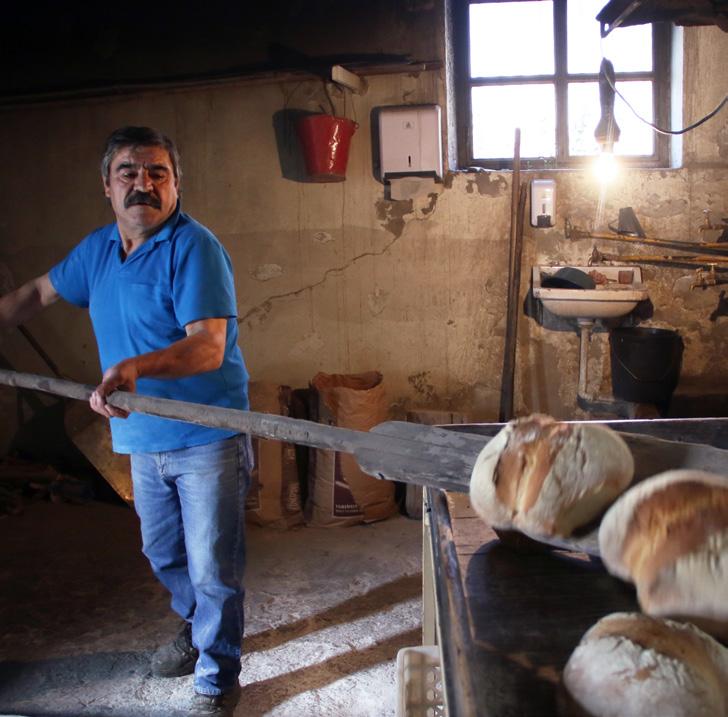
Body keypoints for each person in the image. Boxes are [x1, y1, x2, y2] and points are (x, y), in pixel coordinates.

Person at [0, 126, 251, 717]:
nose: (144, 184)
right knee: (162, 551)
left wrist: (135, 366)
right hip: (139, 434)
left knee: (214, 561)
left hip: (205, 432)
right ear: (107, 187)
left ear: (176, 184)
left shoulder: (195, 247)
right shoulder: (96, 252)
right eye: (130, 173)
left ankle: (218, 673)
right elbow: (37, 291)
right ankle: (196, 627)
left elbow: (208, 347)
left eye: (157, 173)